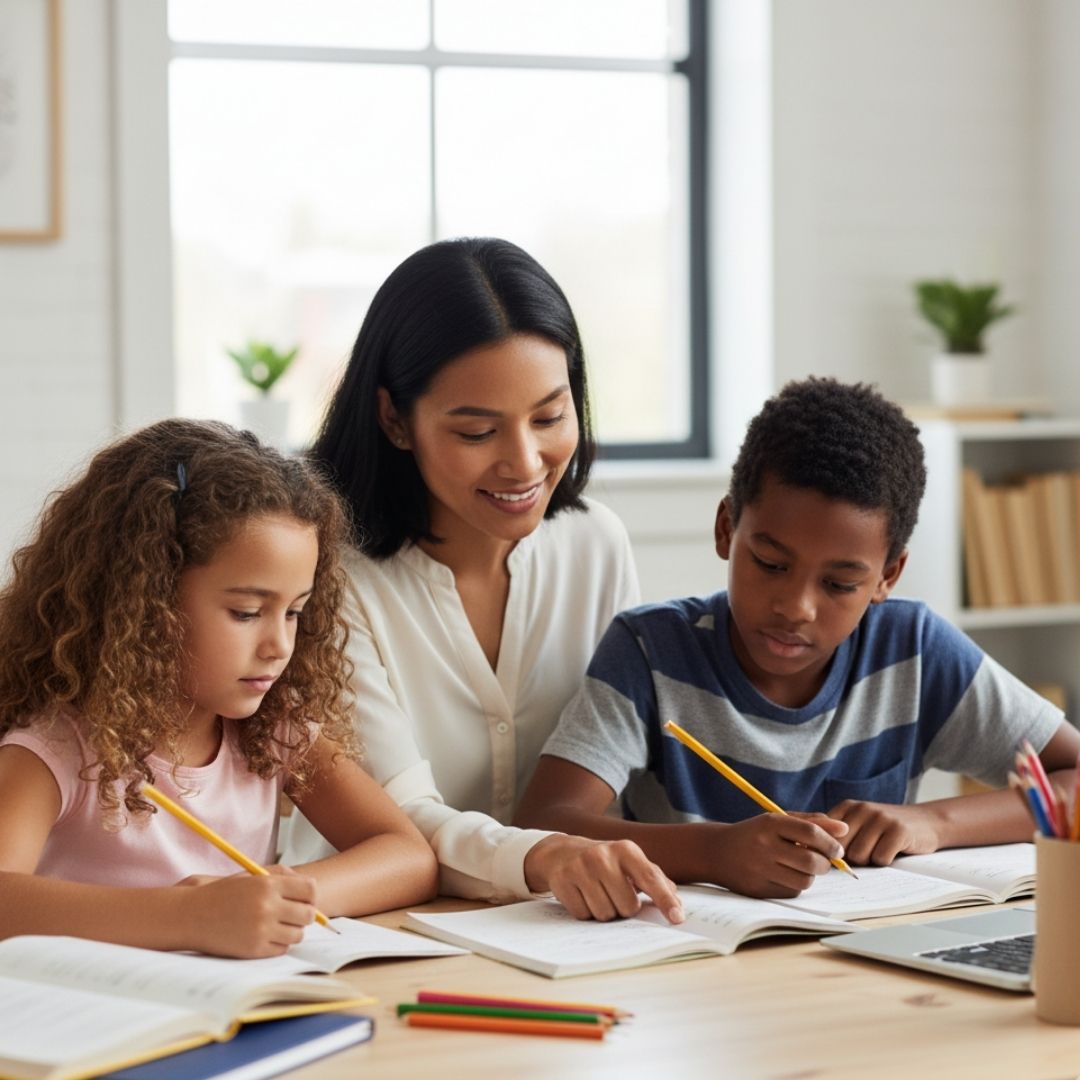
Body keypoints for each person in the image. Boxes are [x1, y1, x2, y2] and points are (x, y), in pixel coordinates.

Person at [515, 377, 1080, 898]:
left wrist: (934, 821)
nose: (796, 608)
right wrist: (714, 852)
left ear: (887, 576)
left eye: (839, 583)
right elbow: (543, 819)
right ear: (726, 529)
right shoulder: (650, 651)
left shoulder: (913, 650)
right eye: (769, 563)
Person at [282, 237, 683, 924]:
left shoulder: (595, 545)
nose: (525, 463)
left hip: (573, 931)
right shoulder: (325, 573)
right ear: (394, 420)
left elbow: (626, 763)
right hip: (369, 933)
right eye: (477, 433)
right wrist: (547, 855)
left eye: (550, 417)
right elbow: (399, 819)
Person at [0, 419, 438, 958]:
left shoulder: (273, 732)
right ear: (145, 603)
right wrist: (187, 916)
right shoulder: (59, 748)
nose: (279, 644)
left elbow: (407, 855)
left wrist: (276, 901)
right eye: (247, 612)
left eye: (295, 612)